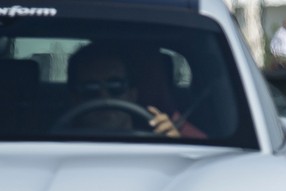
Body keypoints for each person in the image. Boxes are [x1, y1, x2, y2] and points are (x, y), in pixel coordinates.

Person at [64, 42, 193, 138]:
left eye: (115, 86)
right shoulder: (56, 145)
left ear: (132, 94)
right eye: (90, 89)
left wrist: (172, 142)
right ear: (75, 98)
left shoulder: (157, 141)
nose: (104, 96)